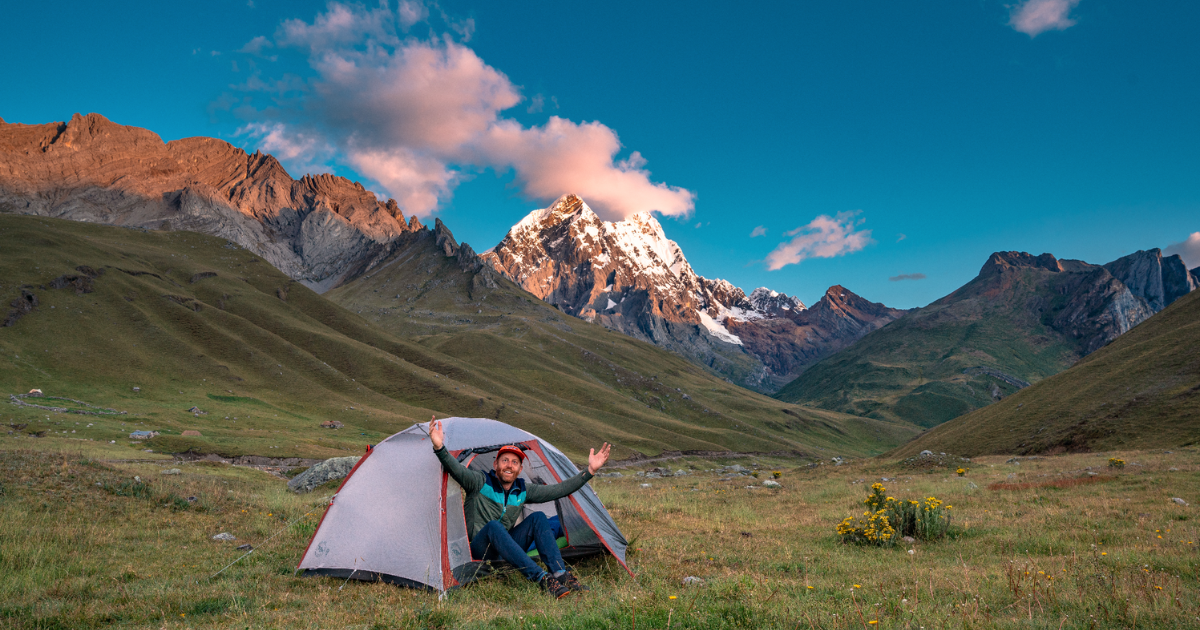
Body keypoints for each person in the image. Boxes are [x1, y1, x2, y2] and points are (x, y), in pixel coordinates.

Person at [428, 417, 611, 598]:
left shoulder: (523, 490)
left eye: (514, 462)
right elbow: (456, 469)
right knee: (493, 526)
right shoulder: (479, 482)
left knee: (538, 518)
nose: (509, 465)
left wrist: (590, 471)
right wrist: (440, 448)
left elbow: (558, 490)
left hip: (505, 550)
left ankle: (560, 574)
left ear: (520, 469)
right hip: (479, 549)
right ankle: (542, 578)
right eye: (505, 460)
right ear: (496, 464)